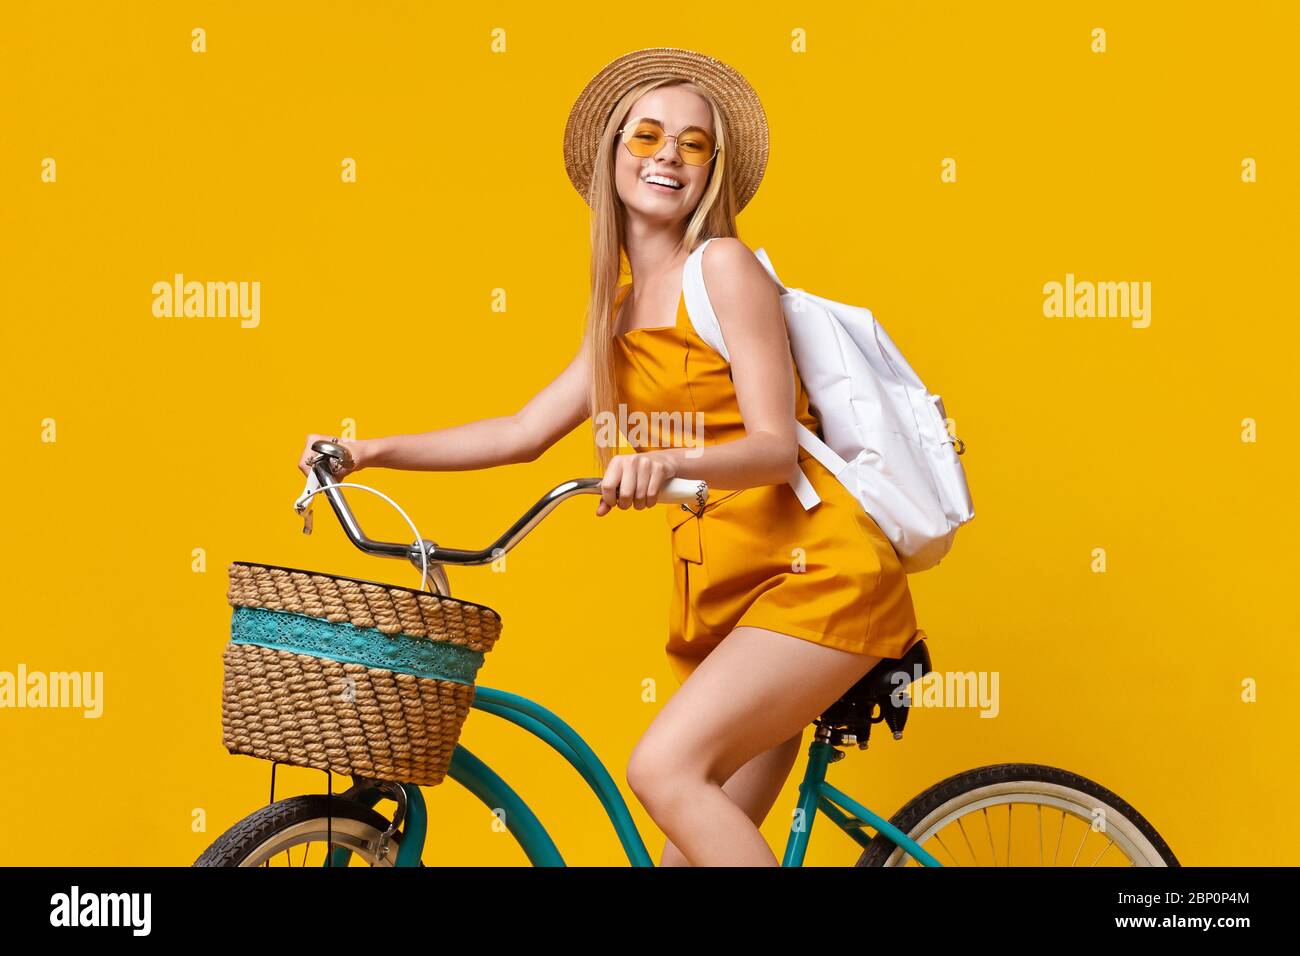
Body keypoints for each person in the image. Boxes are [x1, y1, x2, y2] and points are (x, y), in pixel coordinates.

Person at [298, 47, 924, 866]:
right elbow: (521, 431)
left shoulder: (724, 269)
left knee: (662, 770)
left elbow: (774, 449)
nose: (669, 155)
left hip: (816, 579)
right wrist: (367, 450)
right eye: (649, 136)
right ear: (612, 155)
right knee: (682, 856)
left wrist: (667, 464)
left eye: (694, 144)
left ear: (711, 172)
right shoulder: (621, 314)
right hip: (725, 597)